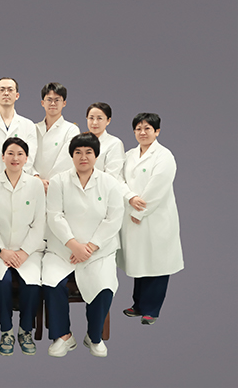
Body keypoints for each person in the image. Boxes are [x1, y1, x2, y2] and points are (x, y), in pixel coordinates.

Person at [42, 132, 124, 358]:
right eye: (78, 152)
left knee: (104, 287)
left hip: (99, 251)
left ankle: (94, 337)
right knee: (52, 283)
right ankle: (63, 336)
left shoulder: (110, 183)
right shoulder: (59, 181)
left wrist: (90, 247)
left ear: (96, 156)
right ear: (72, 156)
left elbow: (114, 218)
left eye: (88, 152)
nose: (83, 157)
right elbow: (54, 215)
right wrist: (74, 245)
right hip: (62, 249)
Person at [0, 137, 45, 356]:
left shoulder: (35, 185)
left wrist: (25, 252)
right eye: (10, 153)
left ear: (26, 158)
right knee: (1, 282)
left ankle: (25, 330)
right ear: (2, 157)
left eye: (20, 154)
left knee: (32, 284)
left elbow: (40, 223)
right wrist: (1, 250)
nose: (15, 158)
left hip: (28, 250)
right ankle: (6, 330)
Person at [117, 113, 184, 325]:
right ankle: (138, 304)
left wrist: (139, 211)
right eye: (138, 129)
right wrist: (130, 197)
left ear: (157, 131)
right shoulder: (129, 155)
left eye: (147, 128)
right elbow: (118, 179)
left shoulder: (164, 156)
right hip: (132, 215)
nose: (142, 132)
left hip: (155, 218)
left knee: (157, 264)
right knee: (140, 262)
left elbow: (158, 188)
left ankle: (151, 310)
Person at [34, 82, 80, 192]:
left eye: (57, 100)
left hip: (60, 186)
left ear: (64, 103)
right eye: (49, 100)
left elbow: (66, 161)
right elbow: (26, 157)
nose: (53, 103)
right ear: (42, 103)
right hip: (34, 184)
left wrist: (50, 183)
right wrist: (36, 178)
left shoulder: (71, 130)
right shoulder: (33, 128)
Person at [85, 102, 125, 180]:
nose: (94, 122)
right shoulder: (80, 142)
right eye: (91, 118)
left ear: (108, 121)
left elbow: (111, 175)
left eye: (99, 118)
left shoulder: (114, 143)